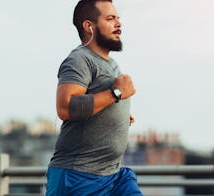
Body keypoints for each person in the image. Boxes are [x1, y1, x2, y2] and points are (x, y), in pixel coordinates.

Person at [46, 0, 143, 195]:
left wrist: (119, 115)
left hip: (115, 175)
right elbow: (65, 107)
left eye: (118, 18)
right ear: (89, 26)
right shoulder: (80, 60)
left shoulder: (112, 64)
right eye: (110, 18)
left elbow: (100, 100)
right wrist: (116, 94)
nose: (118, 24)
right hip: (78, 176)